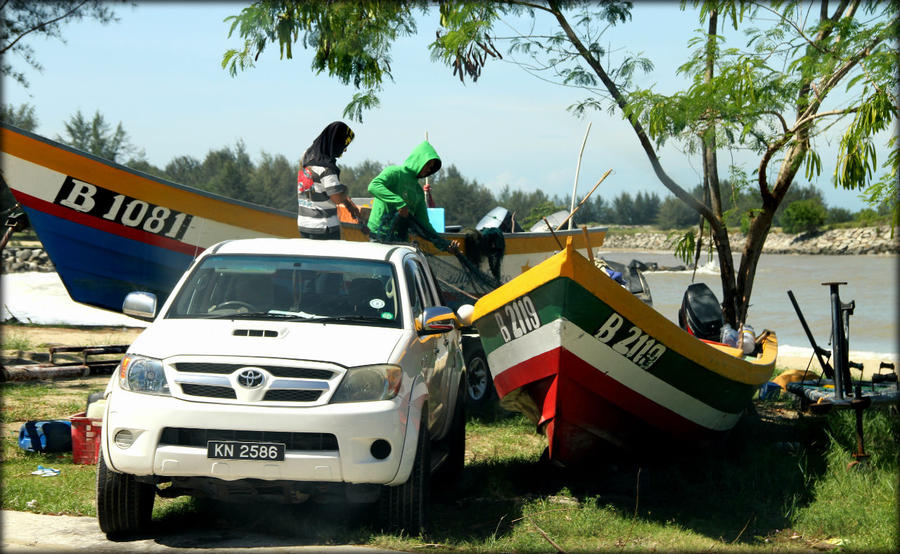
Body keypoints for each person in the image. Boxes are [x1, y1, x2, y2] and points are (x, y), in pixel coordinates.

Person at [366, 140, 459, 253]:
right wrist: (399, 202)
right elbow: (373, 186)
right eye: (428, 165)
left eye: (431, 168)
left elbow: (425, 225)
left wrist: (444, 244)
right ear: (419, 160)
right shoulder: (395, 172)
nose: (429, 170)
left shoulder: (418, 192)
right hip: (378, 235)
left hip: (400, 240)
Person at [297, 121, 361, 239]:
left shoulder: (306, 157)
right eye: (344, 145)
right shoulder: (326, 168)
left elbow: (320, 188)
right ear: (335, 142)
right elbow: (336, 198)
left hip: (304, 224)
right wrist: (344, 190)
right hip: (324, 227)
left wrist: (347, 203)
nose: (345, 150)